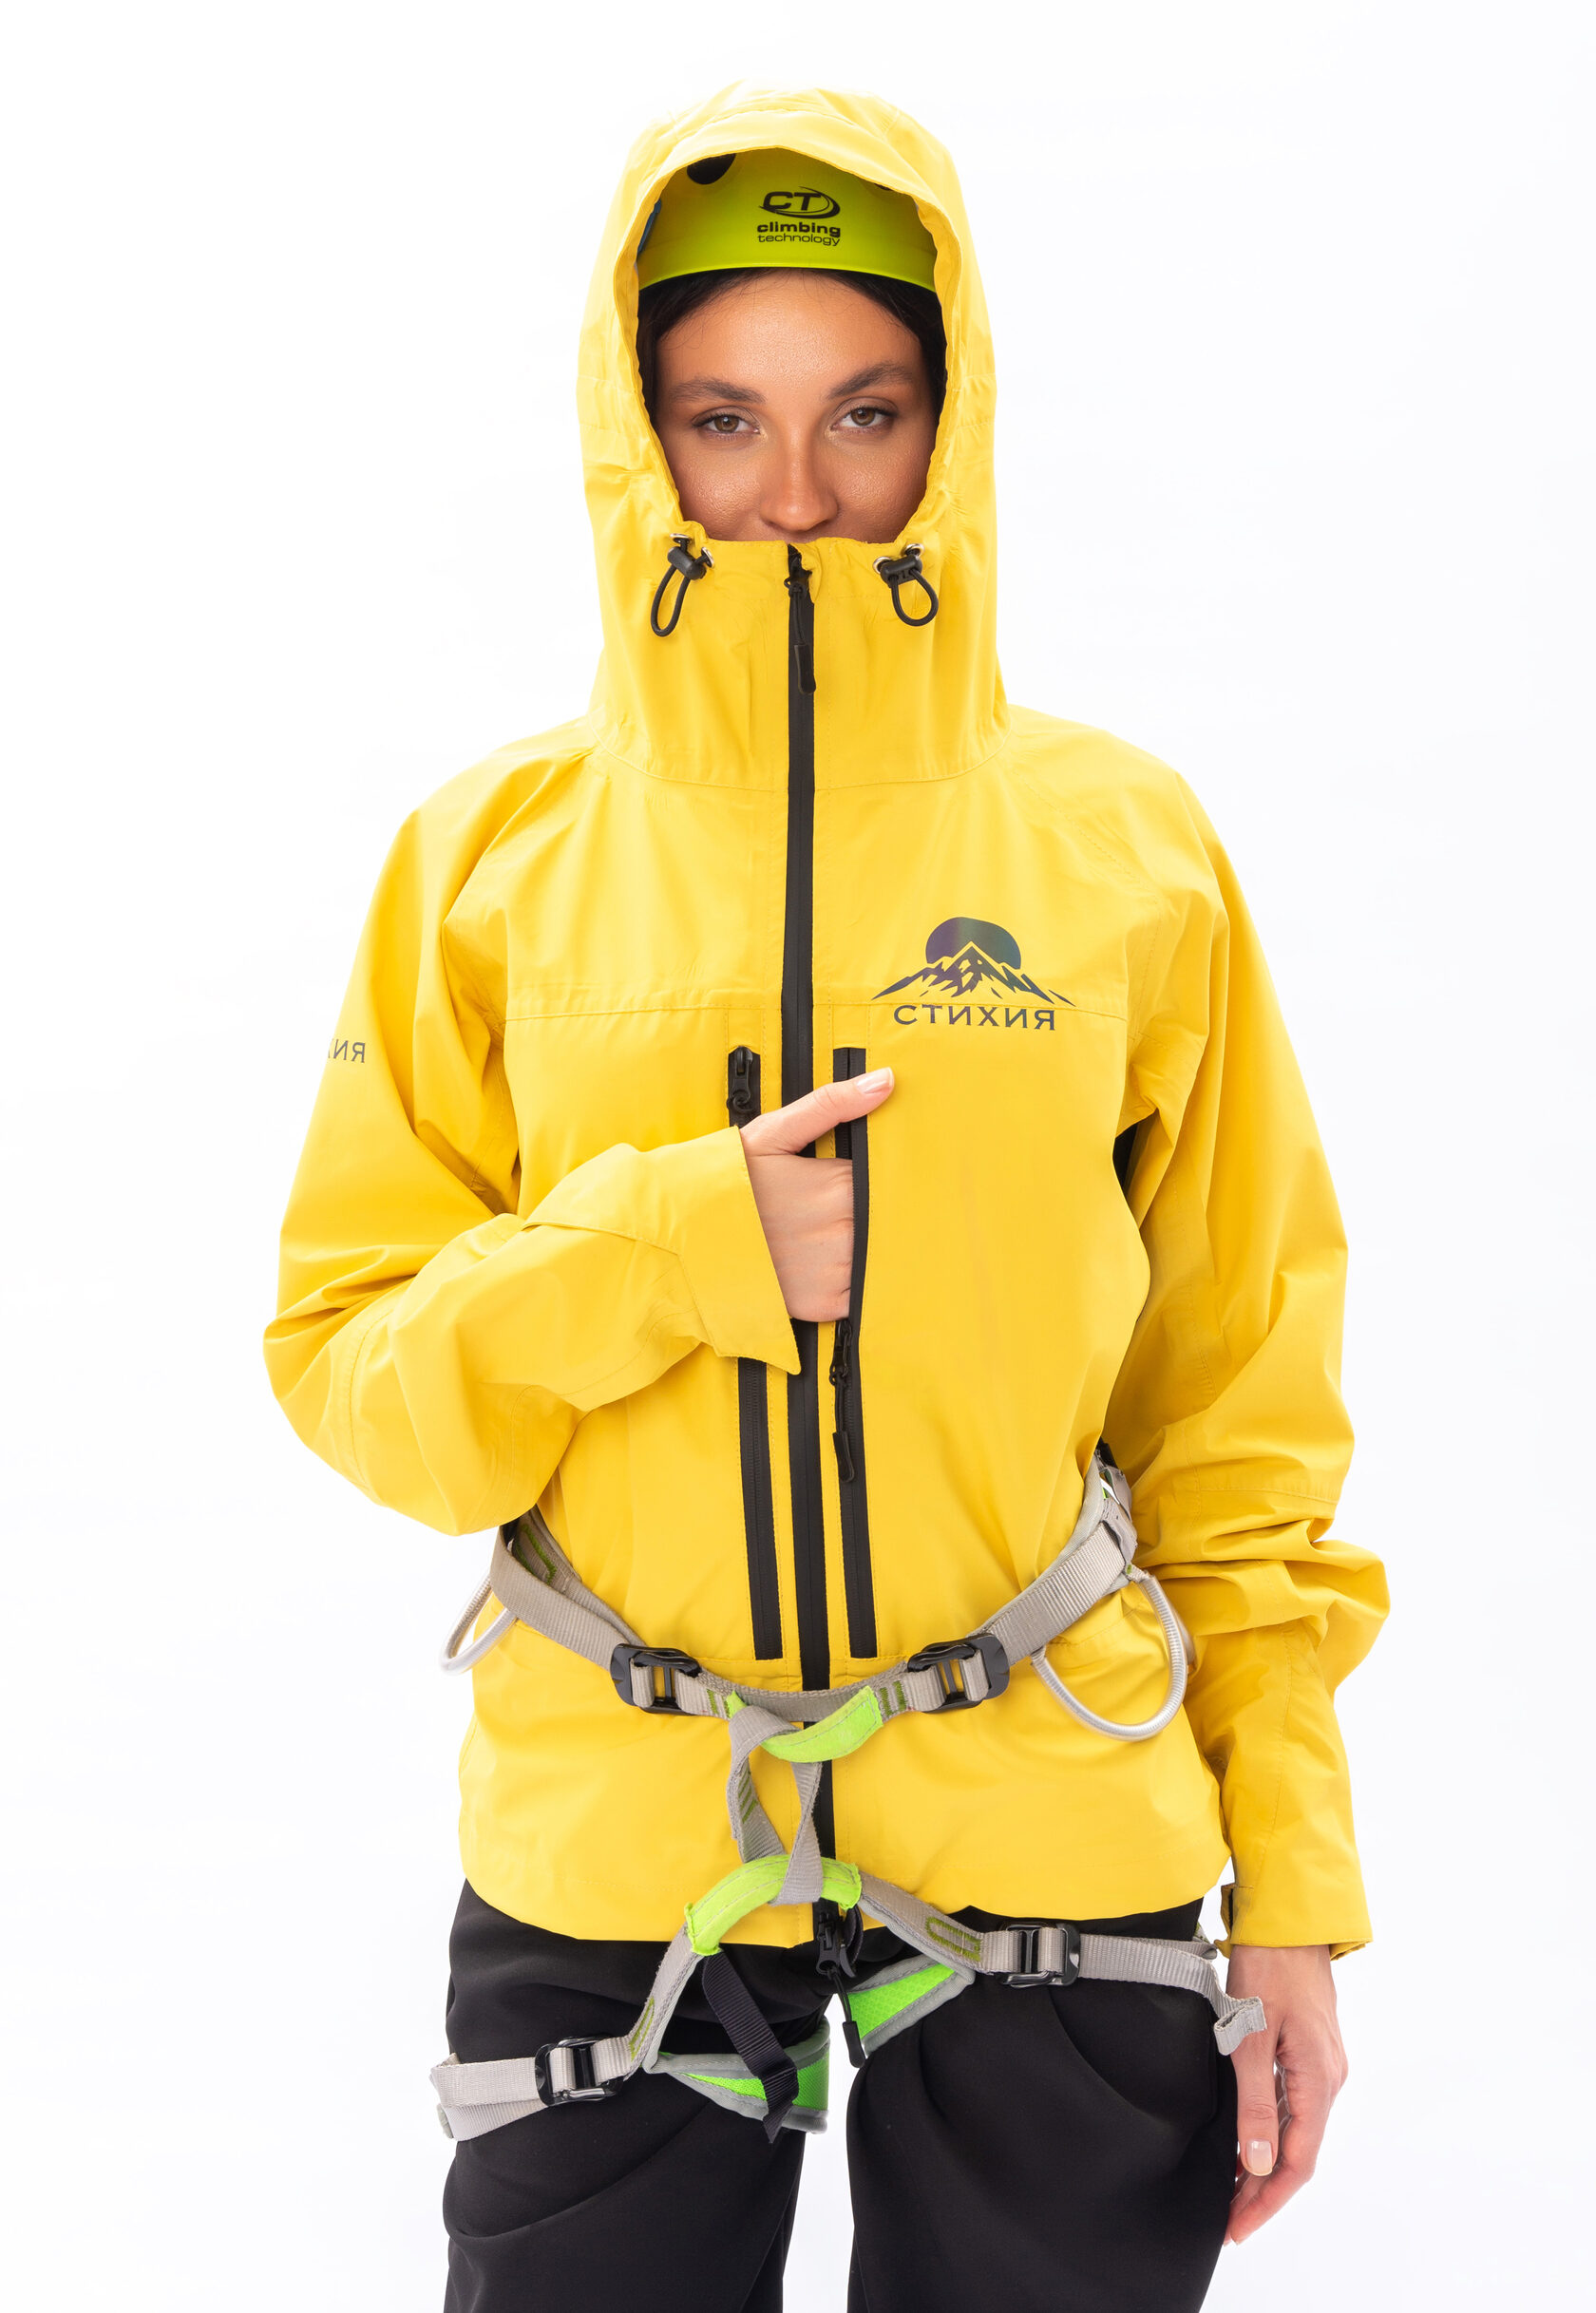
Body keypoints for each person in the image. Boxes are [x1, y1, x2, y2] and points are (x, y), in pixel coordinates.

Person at [265, 84, 1388, 2313]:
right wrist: (668, 1248)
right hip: (617, 1849)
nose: (795, 492)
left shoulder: (1127, 850)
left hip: (1057, 1824)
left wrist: (1297, 1885)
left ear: (953, 424)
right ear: (634, 433)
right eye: (723, 418)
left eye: (865, 412)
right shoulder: (485, 863)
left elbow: (1238, 1418)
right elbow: (359, 1382)